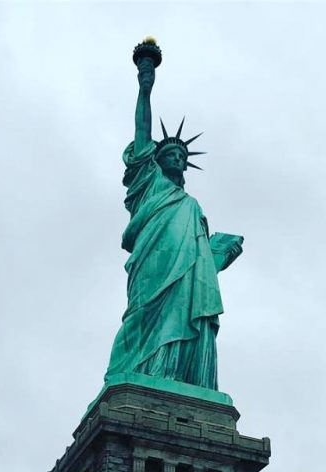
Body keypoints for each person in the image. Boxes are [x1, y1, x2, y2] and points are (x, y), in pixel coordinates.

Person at [104, 54, 243, 391]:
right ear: (155, 160)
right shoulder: (149, 184)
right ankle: (134, 373)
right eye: (170, 154)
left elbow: (199, 257)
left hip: (188, 276)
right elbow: (142, 131)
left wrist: (218, 255)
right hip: (153, 264)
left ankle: (176, 375)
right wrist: (145, 85)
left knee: (183, 312)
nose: (178, 158)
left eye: (182, 156)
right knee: (142, 315)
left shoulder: (191, 206)